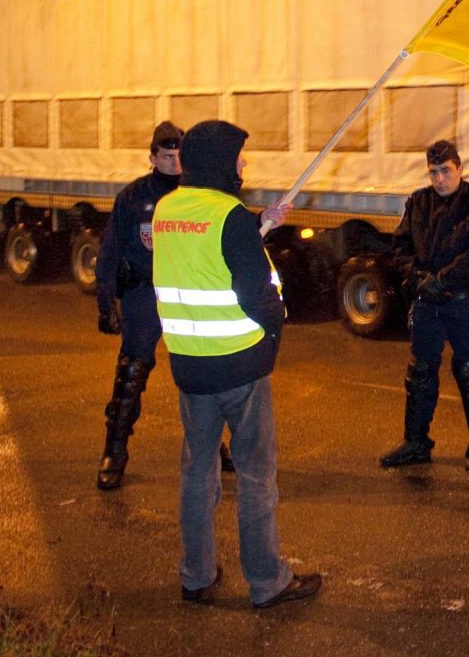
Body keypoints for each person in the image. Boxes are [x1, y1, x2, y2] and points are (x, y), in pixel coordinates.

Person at [152, 119, 318, 608]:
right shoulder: (230, 215)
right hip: (240, 368)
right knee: (255, 475)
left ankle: (196, 575)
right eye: (240, 157)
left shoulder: (167, 209)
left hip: (188, 366)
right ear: (221, 162)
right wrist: (273, 332)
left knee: (197, 473)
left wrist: (257, 224)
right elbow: (255, 293)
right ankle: (268, 581)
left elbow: (202, 259)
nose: (245, 164)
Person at [379, 139, 469, 471]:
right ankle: (416, 442)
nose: (440, 179)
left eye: (446, 171)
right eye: (433, 172)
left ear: (459, 168)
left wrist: (441, 281)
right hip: (427, 302)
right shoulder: (418, 203)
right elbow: (400, 246)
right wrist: (418, 280)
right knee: (420, 371)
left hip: (463, 302)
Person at [93, 121, 182, 490]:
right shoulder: (132, 198)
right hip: (143, 296)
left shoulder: (195, 195)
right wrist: (105, 303)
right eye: (167, 156)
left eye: (180, 156)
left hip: (182, 296)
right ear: (152, 157)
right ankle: (114, 452)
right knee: (130, 376)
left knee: (199, 376)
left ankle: (212, 447)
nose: (175, 163)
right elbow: (110, 251)